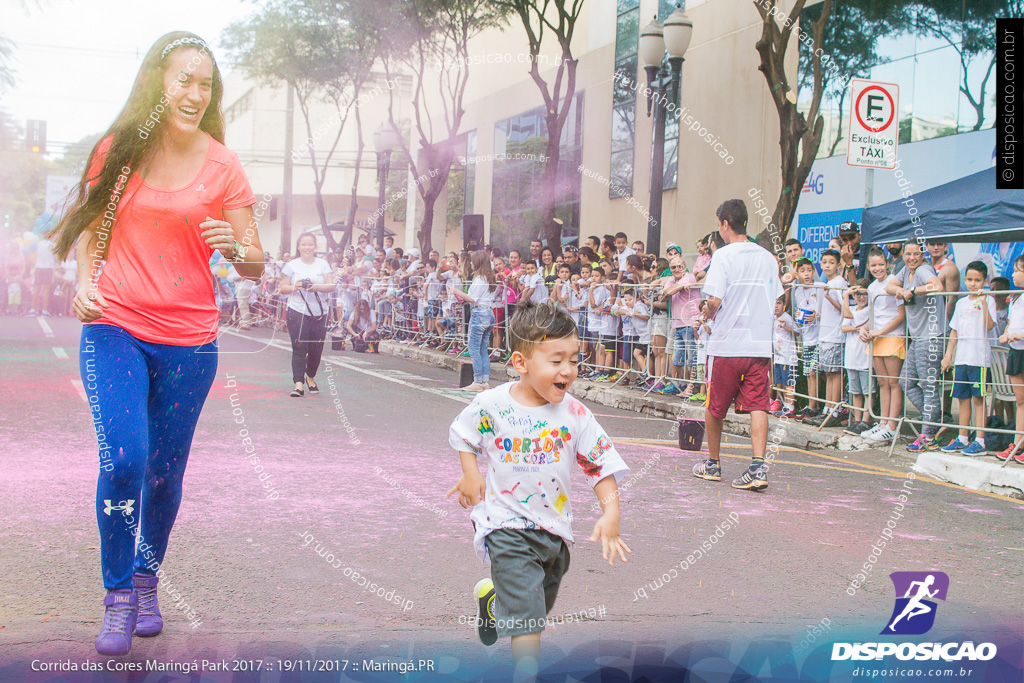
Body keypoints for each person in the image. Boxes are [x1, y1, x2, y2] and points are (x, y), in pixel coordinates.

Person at [47, 31, 264, 656]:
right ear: (157, 83)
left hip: (190, 341)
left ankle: (147, 580)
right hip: (114, 325)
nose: (195, 93)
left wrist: (234, 245)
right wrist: (86, 278)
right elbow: (93, 226)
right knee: (124, 459)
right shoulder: (119, 150)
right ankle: (117, 593)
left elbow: (254, 260)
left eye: (205, 84)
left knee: (165, 476)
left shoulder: (223, 163)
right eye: (183, 80)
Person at [446, 301, 630, 679]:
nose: (568, 371)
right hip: (506, 528)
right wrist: (470, 474)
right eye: (556, 360)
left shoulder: (576, 414)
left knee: (533, 607)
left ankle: (494, 599)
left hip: (555, 533)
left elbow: (601, 465)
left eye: (574, 360)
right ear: (521, 362)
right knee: (530, 624)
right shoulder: (492, 404)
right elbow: (463, 434)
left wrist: (611, 513)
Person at [692, 199, 783, 490]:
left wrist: (707, 309)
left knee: (715, 405)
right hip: (759, 345)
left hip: (727, 344)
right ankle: (757, 466)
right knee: (759, 405)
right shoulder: (769, 258)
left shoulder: (724, 256)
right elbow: (778, 298)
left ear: (725, 224)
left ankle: (713, 463)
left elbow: (715, 300)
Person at [887, 239, 945, 452]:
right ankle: (937, 419)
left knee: (929, 388)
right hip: (918, 338)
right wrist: (901, 291)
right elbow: (889, 285)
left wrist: (912, 291)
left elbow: (937, 285)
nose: (912, 258)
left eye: (916, 254)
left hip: (931, 337)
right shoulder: (906, 271)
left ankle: (929, 435)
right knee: (905, 382)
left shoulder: (923, 270)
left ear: (922, 256)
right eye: (908, 254)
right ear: (903, 255)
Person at [940, 261, 996, 456]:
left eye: (977, 280)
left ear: (985, 281)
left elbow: (989, 326)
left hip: (979, 359)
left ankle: (980, 440)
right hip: (962, 359)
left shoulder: (989, 300)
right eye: (970, 280)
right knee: (962, 397)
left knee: (978, 398)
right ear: (965, 280)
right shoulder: (962, 302)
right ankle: (963, 437)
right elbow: (954, 331)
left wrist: (983, 302)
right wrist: (948, 355)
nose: (973, 284)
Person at [280, 233, 335, 397]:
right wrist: (294, 287)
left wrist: (316, 287)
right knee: (299, 347)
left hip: (319, 313)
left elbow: (331, 285)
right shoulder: (291, 265)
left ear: (315, 246)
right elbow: (282, 287)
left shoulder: (323, 264)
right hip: (297, 312)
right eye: (303, 244)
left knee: (315, 349)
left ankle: (310, 377)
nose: (307, 247)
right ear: (298, 247)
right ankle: (298, 384)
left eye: (310, 244)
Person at [861, 247, 906, 443]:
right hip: (877, 338)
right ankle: (882, 423)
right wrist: (864, 329)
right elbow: (873, 316)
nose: (878, 268)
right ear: (869, 267)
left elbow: (901, 316)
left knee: (893, 382)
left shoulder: (894, 283)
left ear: (888, 265)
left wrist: (881, 331)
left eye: (881, 264)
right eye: (874, 265)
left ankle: (892, 425)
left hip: (893, 337)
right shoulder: (871, 288)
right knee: (882, 383)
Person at [806, 249, 848, 427]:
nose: (828, 265)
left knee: (834, 373)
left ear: (838, 265)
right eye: (824, 262)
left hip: (836, 335)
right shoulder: (826, 284)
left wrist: (829, 298)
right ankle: (827, 408)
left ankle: (834, 410)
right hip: (824, 334)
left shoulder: (840, 283)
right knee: (828, 373)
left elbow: (845, 309)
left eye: (831, 262)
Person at [452, 250, 499, 392]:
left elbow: (472, 298)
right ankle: (485, 381)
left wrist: (456, 291)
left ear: (477, 262)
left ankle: (478, 381)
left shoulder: (479, 279)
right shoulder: (490, 278)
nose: (471, 264)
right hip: (489, 313)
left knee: (474, 348)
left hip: (479, 314)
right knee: (483, 348)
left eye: (472, 261)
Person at [996, 255, 1024, 462]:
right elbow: (1011, 323)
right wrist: (1007, 333)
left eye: (1017, 270)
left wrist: (1019, 335)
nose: (1013, 274)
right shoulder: (1015, 297)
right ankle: (1017, 445)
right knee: (1020, 402)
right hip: (1016, 352)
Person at [662, 256, 700, 397]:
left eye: (680, 266)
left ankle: (691, 387)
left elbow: (669, 292)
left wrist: (673, 287)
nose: (677, 269)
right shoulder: (672, 280)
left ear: (685, 267)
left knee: (692, 358)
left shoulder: (689, 277)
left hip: (691, 322)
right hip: (678, 323)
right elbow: (664, 294)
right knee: (677, 359)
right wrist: (673, 286)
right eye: (673, 267)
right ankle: (687, 384)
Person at [841, 282, 874, 435]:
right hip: (851, 357)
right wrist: (857, 328)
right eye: (858, 294)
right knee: (855, 391)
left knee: (868, 391)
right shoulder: (853, 308)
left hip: (864, 357)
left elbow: (848, 316)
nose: (861, 297)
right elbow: (844, 327)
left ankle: (866, 421)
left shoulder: (868, 310)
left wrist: (845, 296)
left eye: (864, 294)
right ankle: (857, 420)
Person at [792, 257, 822, 419]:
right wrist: (799, 316)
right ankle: (812, 404)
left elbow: (827, 311)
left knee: (814, 371)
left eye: (809, 270)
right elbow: (800, 311)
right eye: (803, 271)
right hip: (807, 336)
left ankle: (814, 406)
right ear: (797, 274)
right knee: (809, 372)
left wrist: (817, 316)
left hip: (820, 337)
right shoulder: (797, 291)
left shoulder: (820, 288)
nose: (807, 274)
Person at [770, 297, 798, 418]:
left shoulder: (787, 318)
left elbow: (797, 332)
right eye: (774, 303)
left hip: (788, 356)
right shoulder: (773, 318)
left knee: (789, 383)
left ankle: (790, 407)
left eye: (779, 303)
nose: (776, 306)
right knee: (780, 382)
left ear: (784, 305)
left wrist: (786, 327)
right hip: (778, 357)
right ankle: (784, 404)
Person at [30, 235, 56, 316]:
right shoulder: (53, 245)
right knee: (45, 291)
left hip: (39, 267)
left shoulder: (39, 243)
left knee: (36, 289)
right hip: (48, 268)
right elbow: (56, 256)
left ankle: (33, 309)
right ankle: (44, 311)